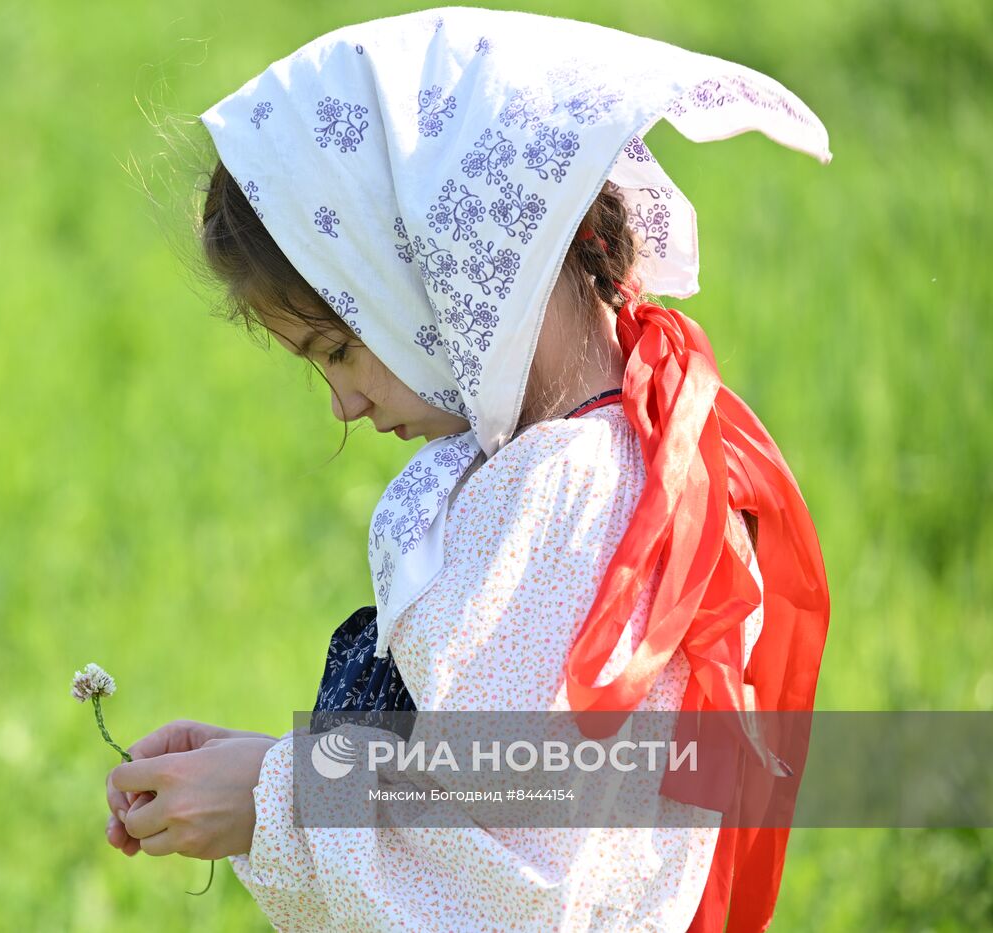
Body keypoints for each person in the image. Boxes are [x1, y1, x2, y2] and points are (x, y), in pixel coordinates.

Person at [106, 8, 832, 931]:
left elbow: (508, 870)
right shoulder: (614, 454)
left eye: (338, 345)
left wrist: (270, 792)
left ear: (435, 265)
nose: (342, 403)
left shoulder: (567, 497)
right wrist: (260, 768)